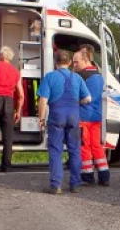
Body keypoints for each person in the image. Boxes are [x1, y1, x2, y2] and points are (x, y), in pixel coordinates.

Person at [38, 50, 91, 194]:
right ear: (69, 63)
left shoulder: (50, 77)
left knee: (56, 150)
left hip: (56, 116)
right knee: (74, 150)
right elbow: (88, 99)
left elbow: (43, 100)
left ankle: (56, 185)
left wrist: (41, 118)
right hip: (73, 115)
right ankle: (75, 184)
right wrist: (76, 103)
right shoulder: (77, 78)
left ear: (56, 63)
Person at [73, 45, 110, 186]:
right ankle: (104, 176)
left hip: (84, 117)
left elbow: (85, 97)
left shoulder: (86, 77)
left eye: (76, 62)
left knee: (84, 147)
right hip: (95, 116)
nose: (74, 65)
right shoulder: (97, 76)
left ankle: (88, 176)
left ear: (86, 60)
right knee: (96, 146)